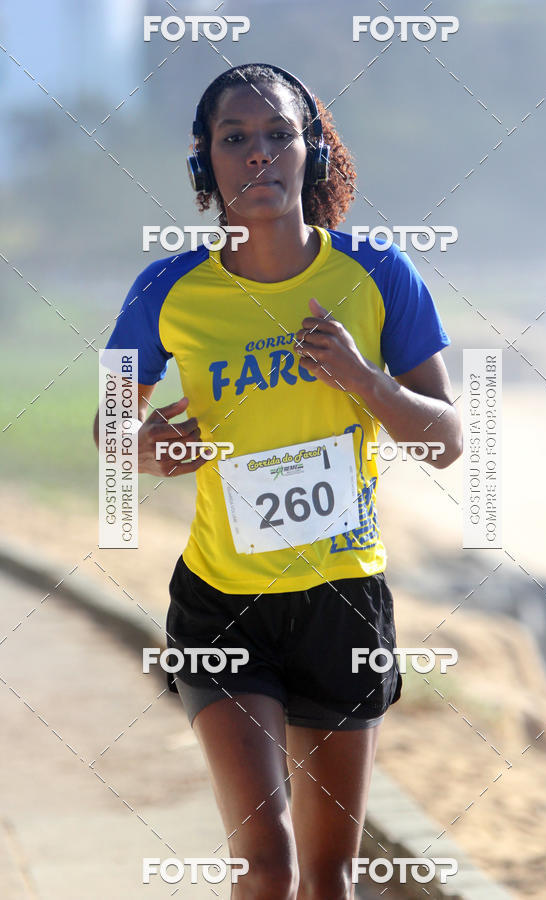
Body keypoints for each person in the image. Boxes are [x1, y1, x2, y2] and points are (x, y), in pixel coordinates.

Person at [94, 63, 462, 900]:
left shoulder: (378, 274)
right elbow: (110, 424)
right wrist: (143, 445)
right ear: (205, 164)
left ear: (314, 153)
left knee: (328, 878)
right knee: (266, 866)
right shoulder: (166, 289)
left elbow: (446, 441)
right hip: (224, 603)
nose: (258, 155)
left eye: (278, 135)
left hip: (343, 603)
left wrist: (367, 383)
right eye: (235, 139)